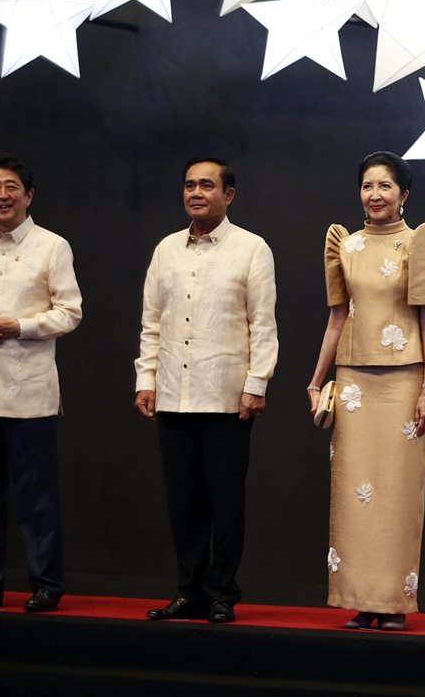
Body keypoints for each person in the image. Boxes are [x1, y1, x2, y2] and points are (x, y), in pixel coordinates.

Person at [306, 151, 425, 632]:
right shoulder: (344, 247)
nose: (375, 195)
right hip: (353, 384)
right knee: (354, 491)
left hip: (405, 379)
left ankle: (392, 602)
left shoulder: (421, 242)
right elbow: (336, 319)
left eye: (385, 186)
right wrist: (315, 379)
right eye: (368, 186)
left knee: (398, 493)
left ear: (404, 194)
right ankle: (360, 599)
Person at [135, 157, 278, 624]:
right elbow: (151, 323)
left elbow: (263, 325)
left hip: (225, 396)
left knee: (225, 500)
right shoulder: (166, 251)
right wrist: (146, 379)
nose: (196, 193)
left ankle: (221, 592)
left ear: (228, 195)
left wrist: (256, 385)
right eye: (190, 185)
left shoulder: (252, 249)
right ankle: (189, 590)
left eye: (207, 185)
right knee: (184, 501)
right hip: (174, 392)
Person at [0, 153, 83, 613]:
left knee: (36, 493)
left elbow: (70, 311)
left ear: (29, 195)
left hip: (29, 390)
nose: (2, 195)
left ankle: (46, 583)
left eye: (11, 187)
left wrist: (19, 327)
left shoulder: (52, 246)